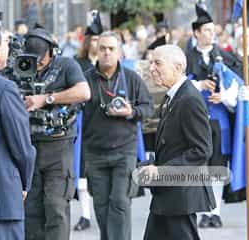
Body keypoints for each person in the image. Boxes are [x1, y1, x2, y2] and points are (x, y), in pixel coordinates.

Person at [82, 31, 153, 240]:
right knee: (102, 206)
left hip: (124, 151)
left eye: (111, 49)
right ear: (96, 50)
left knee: (120, 203)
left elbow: (148, 107)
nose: (106, 53)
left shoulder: (131, 78)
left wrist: (131, 112)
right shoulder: (85, 79)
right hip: (95, 152)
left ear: (119, 52)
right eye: (102, 48)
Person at [141, 44, 216, 240]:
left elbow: (202, 150)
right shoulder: (173, 96)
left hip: (180, 195)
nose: (151, 69)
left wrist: (162, 171)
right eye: (150, 63)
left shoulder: (189, 98)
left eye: (158, 63)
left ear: (178, 67)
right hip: (168, 194)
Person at [23, 27, 91, 240]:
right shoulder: (21, 66)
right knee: (31, 210)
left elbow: (84, 92)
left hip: (58, 145)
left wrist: (46, 99)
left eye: (41, 58)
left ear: (51, 51)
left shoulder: (66, 66)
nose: (38, 63)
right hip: (30, 146)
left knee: (56, 206)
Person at [186, 4, 240, 228]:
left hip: (219, 119)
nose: (211, 34)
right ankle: (201, 213)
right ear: (196, 33)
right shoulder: (186, 57)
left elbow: (238, 83)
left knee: (218, 165)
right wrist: (198, 84)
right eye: (206, 30)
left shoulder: (225, 56)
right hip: (194, 120)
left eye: (212, 30)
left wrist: (225, 96)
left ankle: (215, 211)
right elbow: (175, 82)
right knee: (199, 166)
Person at [0, 25, 36, 240]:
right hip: (2, 200)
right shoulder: (5, 90)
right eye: (4, 42)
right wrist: (24, 182)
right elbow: (22, 148)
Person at [72, 10, 102, 232]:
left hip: (103, 120)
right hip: (83, 120)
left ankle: (101, 212)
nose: (96, 43)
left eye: (100, 39)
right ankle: (85, 215)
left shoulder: (108, 64)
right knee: (81, 166)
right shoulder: (77, 63)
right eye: (93, 39)